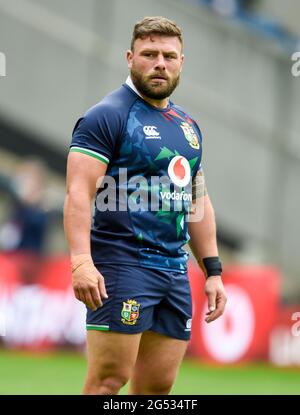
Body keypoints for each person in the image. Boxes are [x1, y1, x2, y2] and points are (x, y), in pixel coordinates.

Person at [64, 16, 227, 395]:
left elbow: (197, 200)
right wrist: (81, 262)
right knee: (108, 381)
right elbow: (77, 194)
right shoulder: (106, 116)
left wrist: (213, 271)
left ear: (181, 61)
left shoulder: (187, 126)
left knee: (156, 390)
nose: (160, 63)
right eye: (149, 54)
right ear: (129, 57)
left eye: (169, 56)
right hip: (122, 265)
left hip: (174, 271)